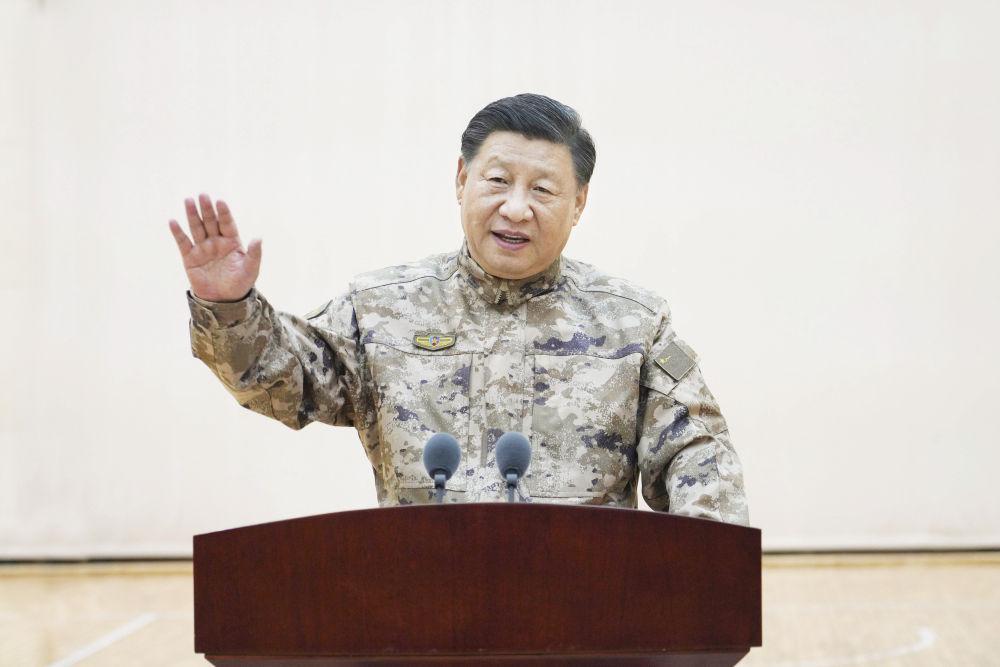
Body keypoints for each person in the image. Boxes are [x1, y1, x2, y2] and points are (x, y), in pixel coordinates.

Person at [168, 93, 749, 525]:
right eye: (498, 180)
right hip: (424, 607)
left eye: (543, 190)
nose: (515, 208)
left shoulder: (633, 324)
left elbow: (698, 456)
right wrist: (229, 306)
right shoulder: (381, 310)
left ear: (579, 203)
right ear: (461, 180)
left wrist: (699, 579)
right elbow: (280, 382)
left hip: (584, 607)